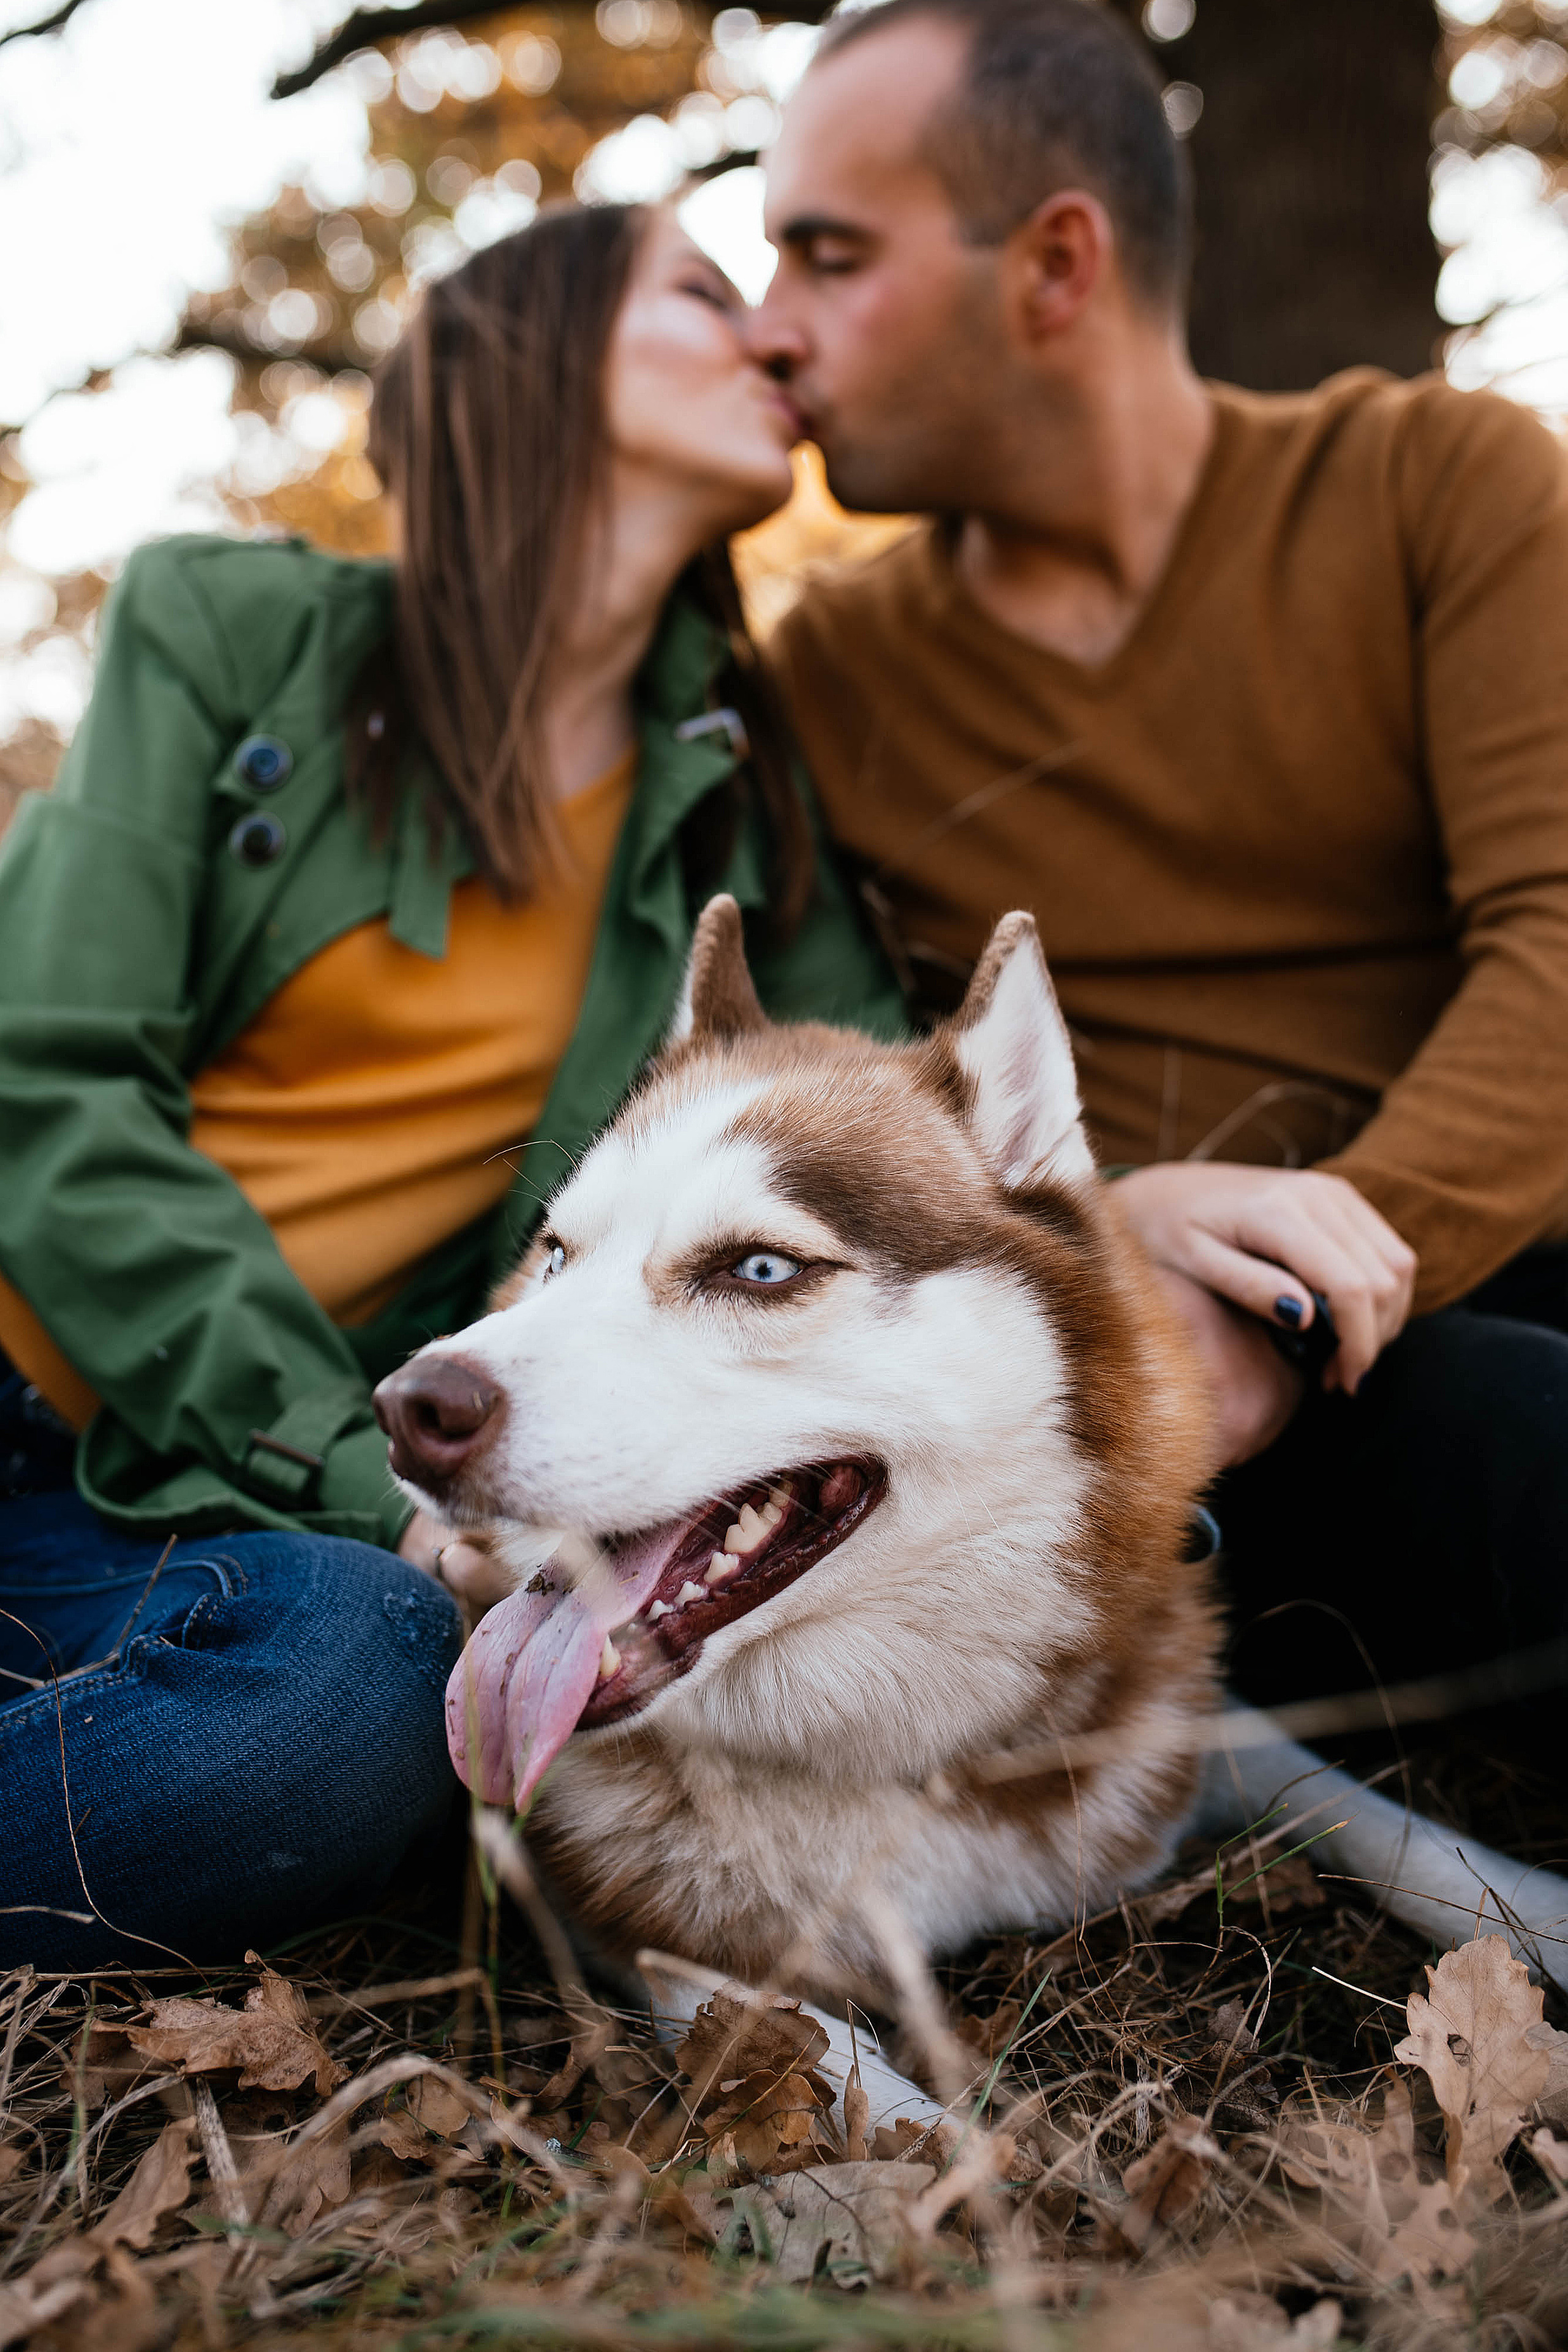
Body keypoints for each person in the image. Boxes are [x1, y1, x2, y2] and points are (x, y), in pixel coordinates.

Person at [0, 202, 902, 1970]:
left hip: (190, 1508)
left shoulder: (737, 792)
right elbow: (40, 1076)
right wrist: (360, 1477)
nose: (777, 341)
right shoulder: (232, 629)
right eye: (708, 297)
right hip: (111, 1389)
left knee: (354, 1701)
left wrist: (1132, 1250)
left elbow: (889, 1140)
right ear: (535, 361)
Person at [750, 0, 1568, 1709]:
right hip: (1260, 1408)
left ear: (1054, 265)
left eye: (829, 259)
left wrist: (1304, 1280)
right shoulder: (820, 678)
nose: (773, 334)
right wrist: (1124, 1292)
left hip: (1373, 1268)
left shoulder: (1437, 482)